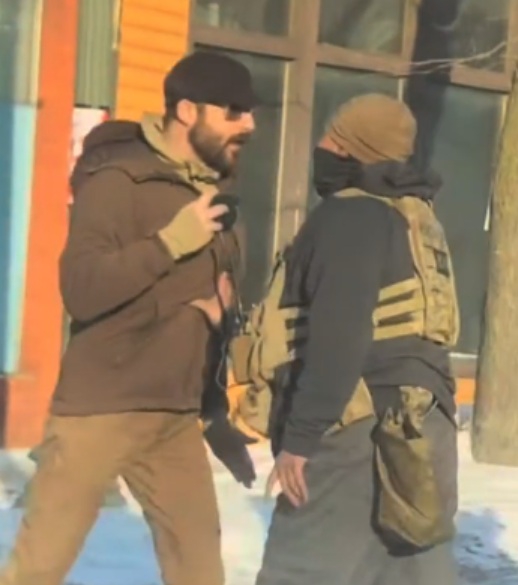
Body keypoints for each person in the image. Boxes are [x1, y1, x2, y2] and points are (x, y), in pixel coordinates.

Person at [0, 51, 258, 585]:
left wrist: (215, 402)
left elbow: (199, 310)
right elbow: (82, 288)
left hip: (173, 416)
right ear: (186, 111)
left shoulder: (209, 192)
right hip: (102, 409)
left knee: (200, 571)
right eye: (234, 111)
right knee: (38, 569)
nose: (249, 125)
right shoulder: (119, 180)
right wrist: (170, 243)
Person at [232, 94, 459, 585]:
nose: (323, 147)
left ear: (356, 149)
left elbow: (340, 334)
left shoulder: (349, 217)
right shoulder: (417, 220)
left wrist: (301, 439)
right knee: (409, 573)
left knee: (299, 572)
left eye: (334, 139)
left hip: (356, 428)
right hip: (426, 425)